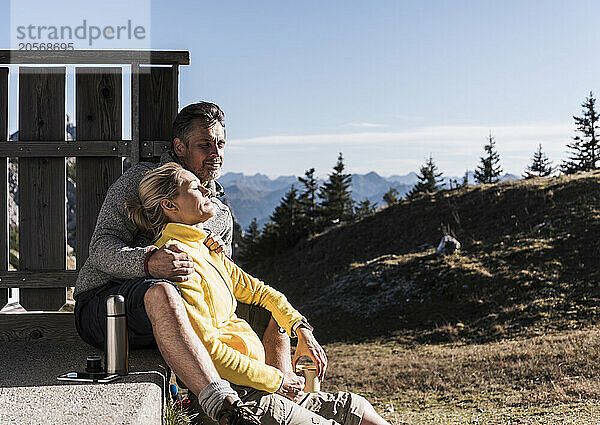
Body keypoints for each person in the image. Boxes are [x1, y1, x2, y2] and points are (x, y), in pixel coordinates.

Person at [124, 161, 390, 425]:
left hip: (259, 388)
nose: (206, 191)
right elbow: (209, 353)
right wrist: (277, 379)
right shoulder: (179, 262)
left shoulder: (205, 248)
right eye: (195, 188)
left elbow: (262, 293)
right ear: (170, 206)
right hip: (241, 401)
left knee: (358, 408)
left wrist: (301, 329)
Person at [74, 102, 290, 424]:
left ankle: (281, 397)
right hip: (108, 306)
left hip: (183, 317)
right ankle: (221, 404)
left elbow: (221, 293)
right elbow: (101, 249)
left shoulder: (218, 213)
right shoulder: (141, 180)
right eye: (205, 145)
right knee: (162, 292)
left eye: (220, 144)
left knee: (271, 309)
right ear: (179, 146)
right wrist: (148, 262)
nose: (216, 153)